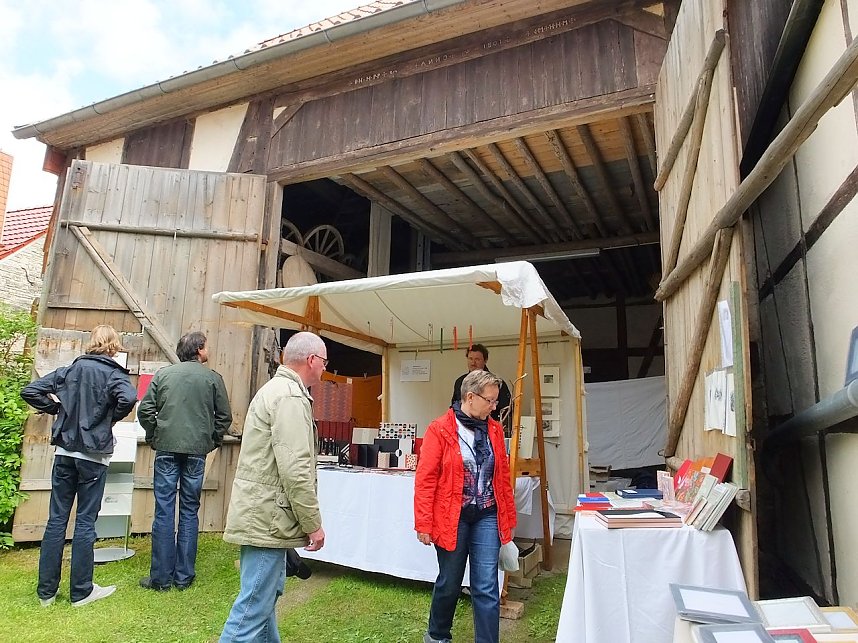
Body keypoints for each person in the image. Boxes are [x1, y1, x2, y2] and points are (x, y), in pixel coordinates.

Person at [219, 331, 327, 643]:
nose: (325, 368)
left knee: (264, 600)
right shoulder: (290, 397)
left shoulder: (278, 390)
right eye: (324, 361)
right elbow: (295, 470)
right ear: (311, 360)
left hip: (264, 514)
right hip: (268, 518)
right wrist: (313, 524)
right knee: (252, 610)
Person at [21, 324, 137, 607]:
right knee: (85, 521)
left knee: (56, 520)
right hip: (93, 457)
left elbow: (31, 390)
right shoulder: (113, 374)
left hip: (64, 453)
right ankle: (82, 591)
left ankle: (46, 593)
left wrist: (58, 409)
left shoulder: (69, 371)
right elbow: (129, 398)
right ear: (113, 346)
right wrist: (109, 418)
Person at [416, 370, 517, 643]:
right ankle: (437, 636)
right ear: (470, 397)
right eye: (490, 401)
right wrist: (424, 523)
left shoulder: (494, 429)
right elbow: (425, 479)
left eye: (496, 401)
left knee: (486, 586)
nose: (494, 407)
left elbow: (502, 478)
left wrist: (508, 518)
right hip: (452, 517)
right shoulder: (439, 429)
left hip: (487, 515)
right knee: (449, 581)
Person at [137, 331, 232, 591]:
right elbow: (224, 417)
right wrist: (211, 440)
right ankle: (183, 577)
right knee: (190, 510)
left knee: (164, 510)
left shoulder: (163, 375)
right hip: (196, 451)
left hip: (166, 447)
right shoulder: (213, 379)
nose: (208, 350)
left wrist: (155, 435)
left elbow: (145, 411)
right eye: (207, 346)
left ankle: (160, 579)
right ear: (199, 349)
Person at [450, 344, 511, 423]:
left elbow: (506, 410)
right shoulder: (460, 382)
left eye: (477, 359)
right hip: (463, 424)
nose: (473, 363)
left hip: (488, 424)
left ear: (485, 361)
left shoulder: (496, 383)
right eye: (470, 359)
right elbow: (455, 405)